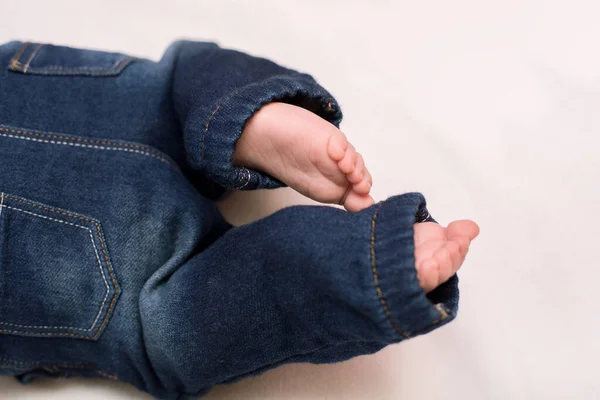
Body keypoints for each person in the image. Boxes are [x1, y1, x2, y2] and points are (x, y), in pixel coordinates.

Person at [0, 40, 479, 399]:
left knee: (183, 323)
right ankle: (245, 125)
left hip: (77, 263)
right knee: (185, 322)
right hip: (70, 113)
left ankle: (245, 120)